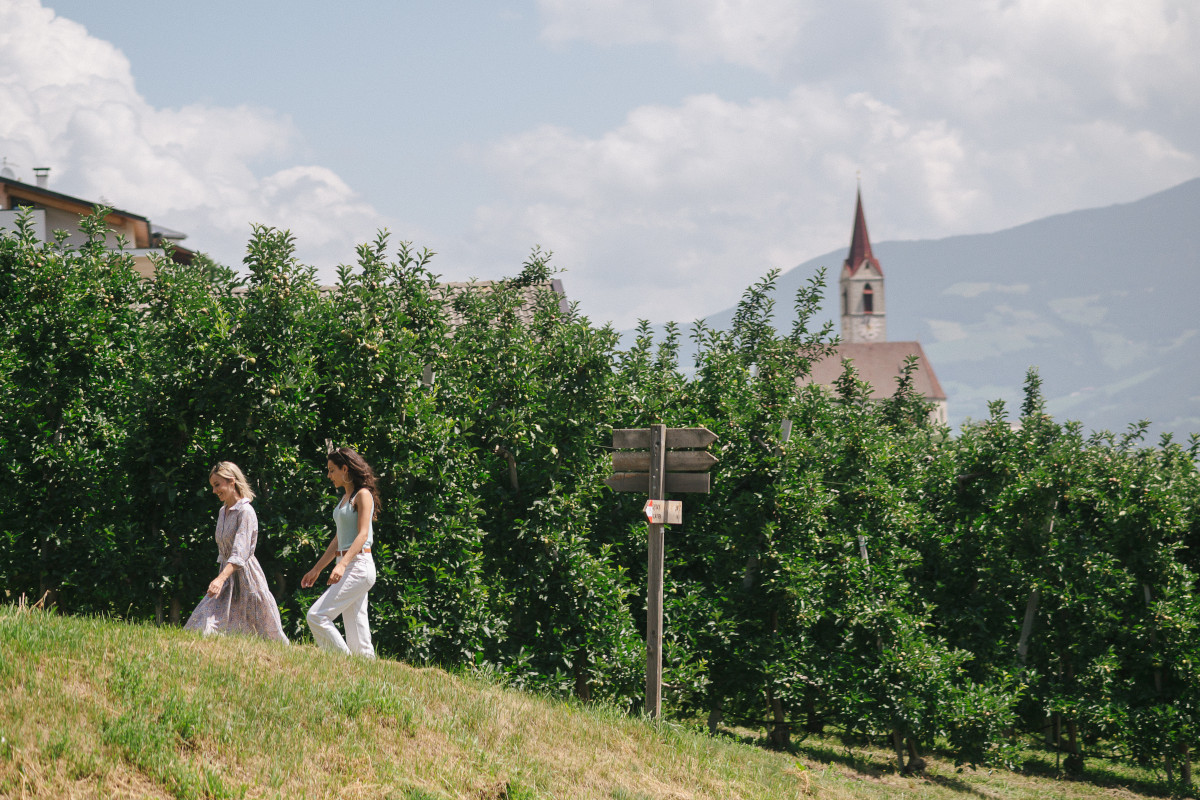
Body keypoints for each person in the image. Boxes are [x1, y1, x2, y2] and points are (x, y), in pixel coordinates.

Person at [183, 462, 288, 643]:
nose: (214, 491)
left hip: (246, 578)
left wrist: (220, 579)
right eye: (212, 486)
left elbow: (240, 553)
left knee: (263, 632)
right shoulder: (222, 512)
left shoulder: (245, 511)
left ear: (232, 481)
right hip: (226, 577)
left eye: (217, 485)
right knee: (202, 623)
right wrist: (222, 577)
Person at [302, 447, 379, 657]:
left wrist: (343, 564)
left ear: (345, 469)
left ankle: (342, 664)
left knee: (317, 616)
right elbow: (338, 540)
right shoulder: (344, 500)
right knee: (357, 633)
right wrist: (316, 569)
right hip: (348, 564)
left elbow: (363, 535)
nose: (329, 476)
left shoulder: (363, 496)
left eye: (331, 470)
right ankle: (367, 675)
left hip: (359, 565)